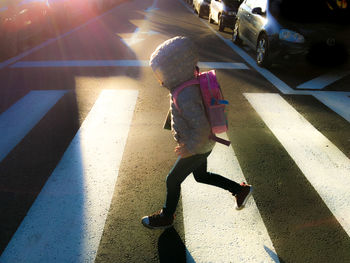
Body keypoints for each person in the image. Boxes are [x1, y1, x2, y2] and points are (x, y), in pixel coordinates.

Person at [141, 36, 252, 229]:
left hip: (198, 146)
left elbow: (201, 127)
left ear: (174, 69)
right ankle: (239, 190)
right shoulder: (187, 84)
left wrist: (189, 148)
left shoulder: (185, 93)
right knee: (201, 176)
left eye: (160, 72)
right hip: (204, 144)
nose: (159, 78)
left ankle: (167, 216)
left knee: (172, 180)